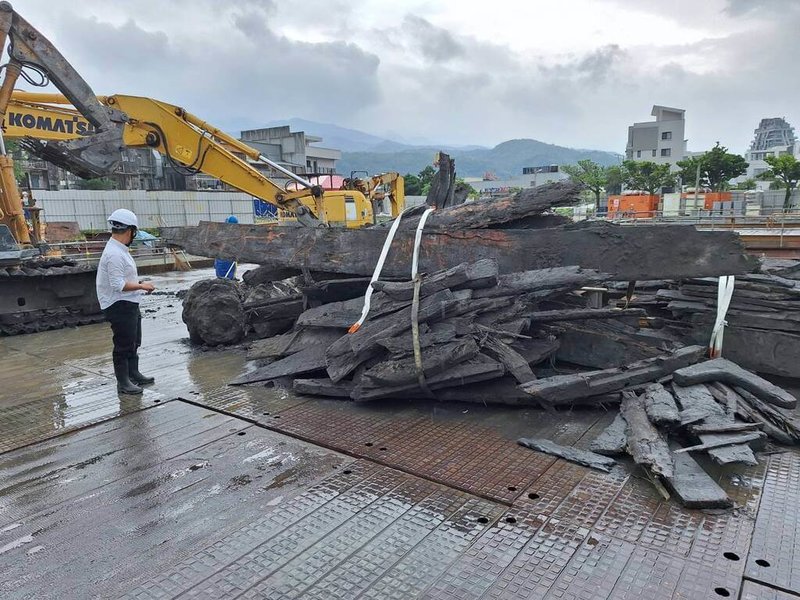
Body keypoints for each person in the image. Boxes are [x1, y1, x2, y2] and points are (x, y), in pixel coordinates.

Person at [95, 209, 156, 394]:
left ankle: (133, 373)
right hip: (118, 304)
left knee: (134, 340)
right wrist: (142, 286)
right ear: (131, 231)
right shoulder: (114, 253)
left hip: (129, 302)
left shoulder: (119, 249)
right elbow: (118, 285)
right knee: (123, 343)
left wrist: (139, 284)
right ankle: (123, 382)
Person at [214, 215, 239, 279]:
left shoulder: (233, 232)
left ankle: (231, 277)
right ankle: (223, 278)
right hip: (222, 255)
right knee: (223, 266)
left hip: (229, 255)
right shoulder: (222, 232)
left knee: (231, 265)